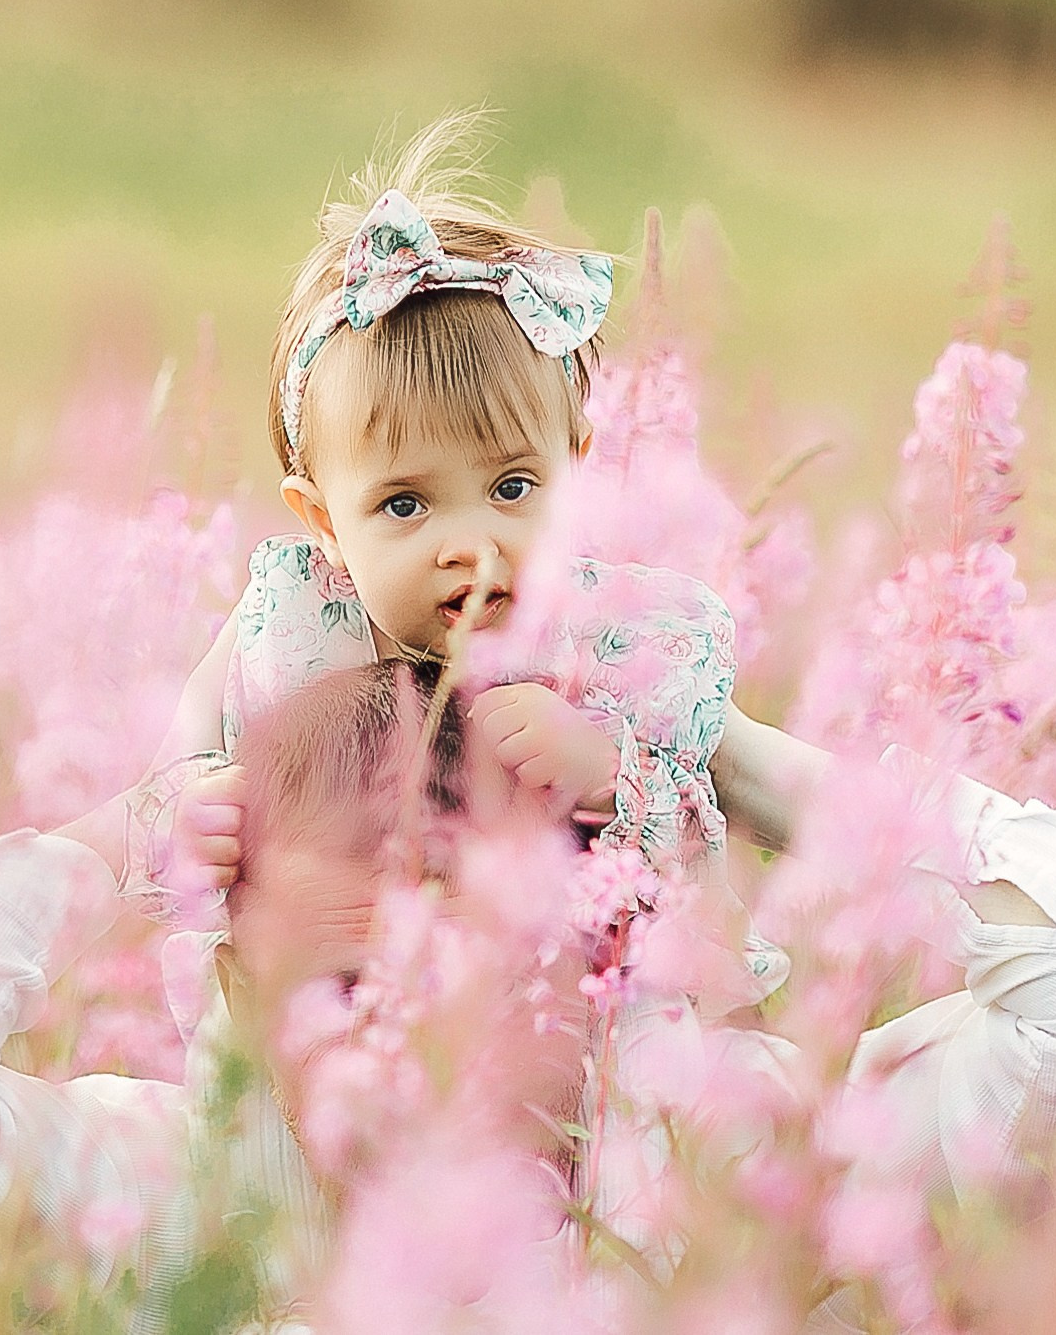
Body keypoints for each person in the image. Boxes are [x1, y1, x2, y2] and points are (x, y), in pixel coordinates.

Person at [0, 663, 1056, 1330]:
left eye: (481, 969)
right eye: (344, 979)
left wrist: (713, 754)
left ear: (605, 957)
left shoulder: (745, 1188)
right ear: (230, 985)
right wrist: (109, 843)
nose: (413, 1048)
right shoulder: (178, 1201)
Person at [68, 110, 776, 984]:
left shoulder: (614, 639)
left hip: (577, 1042)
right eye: (405, 504)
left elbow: (705, 862)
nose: (470, 544)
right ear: (323, 521)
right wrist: (188, 808)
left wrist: (610, 775)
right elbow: (186, 746)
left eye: (514, 488)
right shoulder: (295, 620)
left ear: (577, 471)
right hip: (327, 1032)